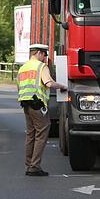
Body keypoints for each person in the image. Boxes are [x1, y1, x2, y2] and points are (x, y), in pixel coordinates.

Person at [18, 44, 65, 176]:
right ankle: (35, 166)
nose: (45, 58)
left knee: (31, 134)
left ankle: (29, 165)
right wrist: (63, 86)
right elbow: (49, 83)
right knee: (42, 132)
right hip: (37, 104)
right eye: (44, 55)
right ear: (38, 53)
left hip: (26, 104)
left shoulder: (23, 68)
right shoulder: (41, 67)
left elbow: (19, 87)